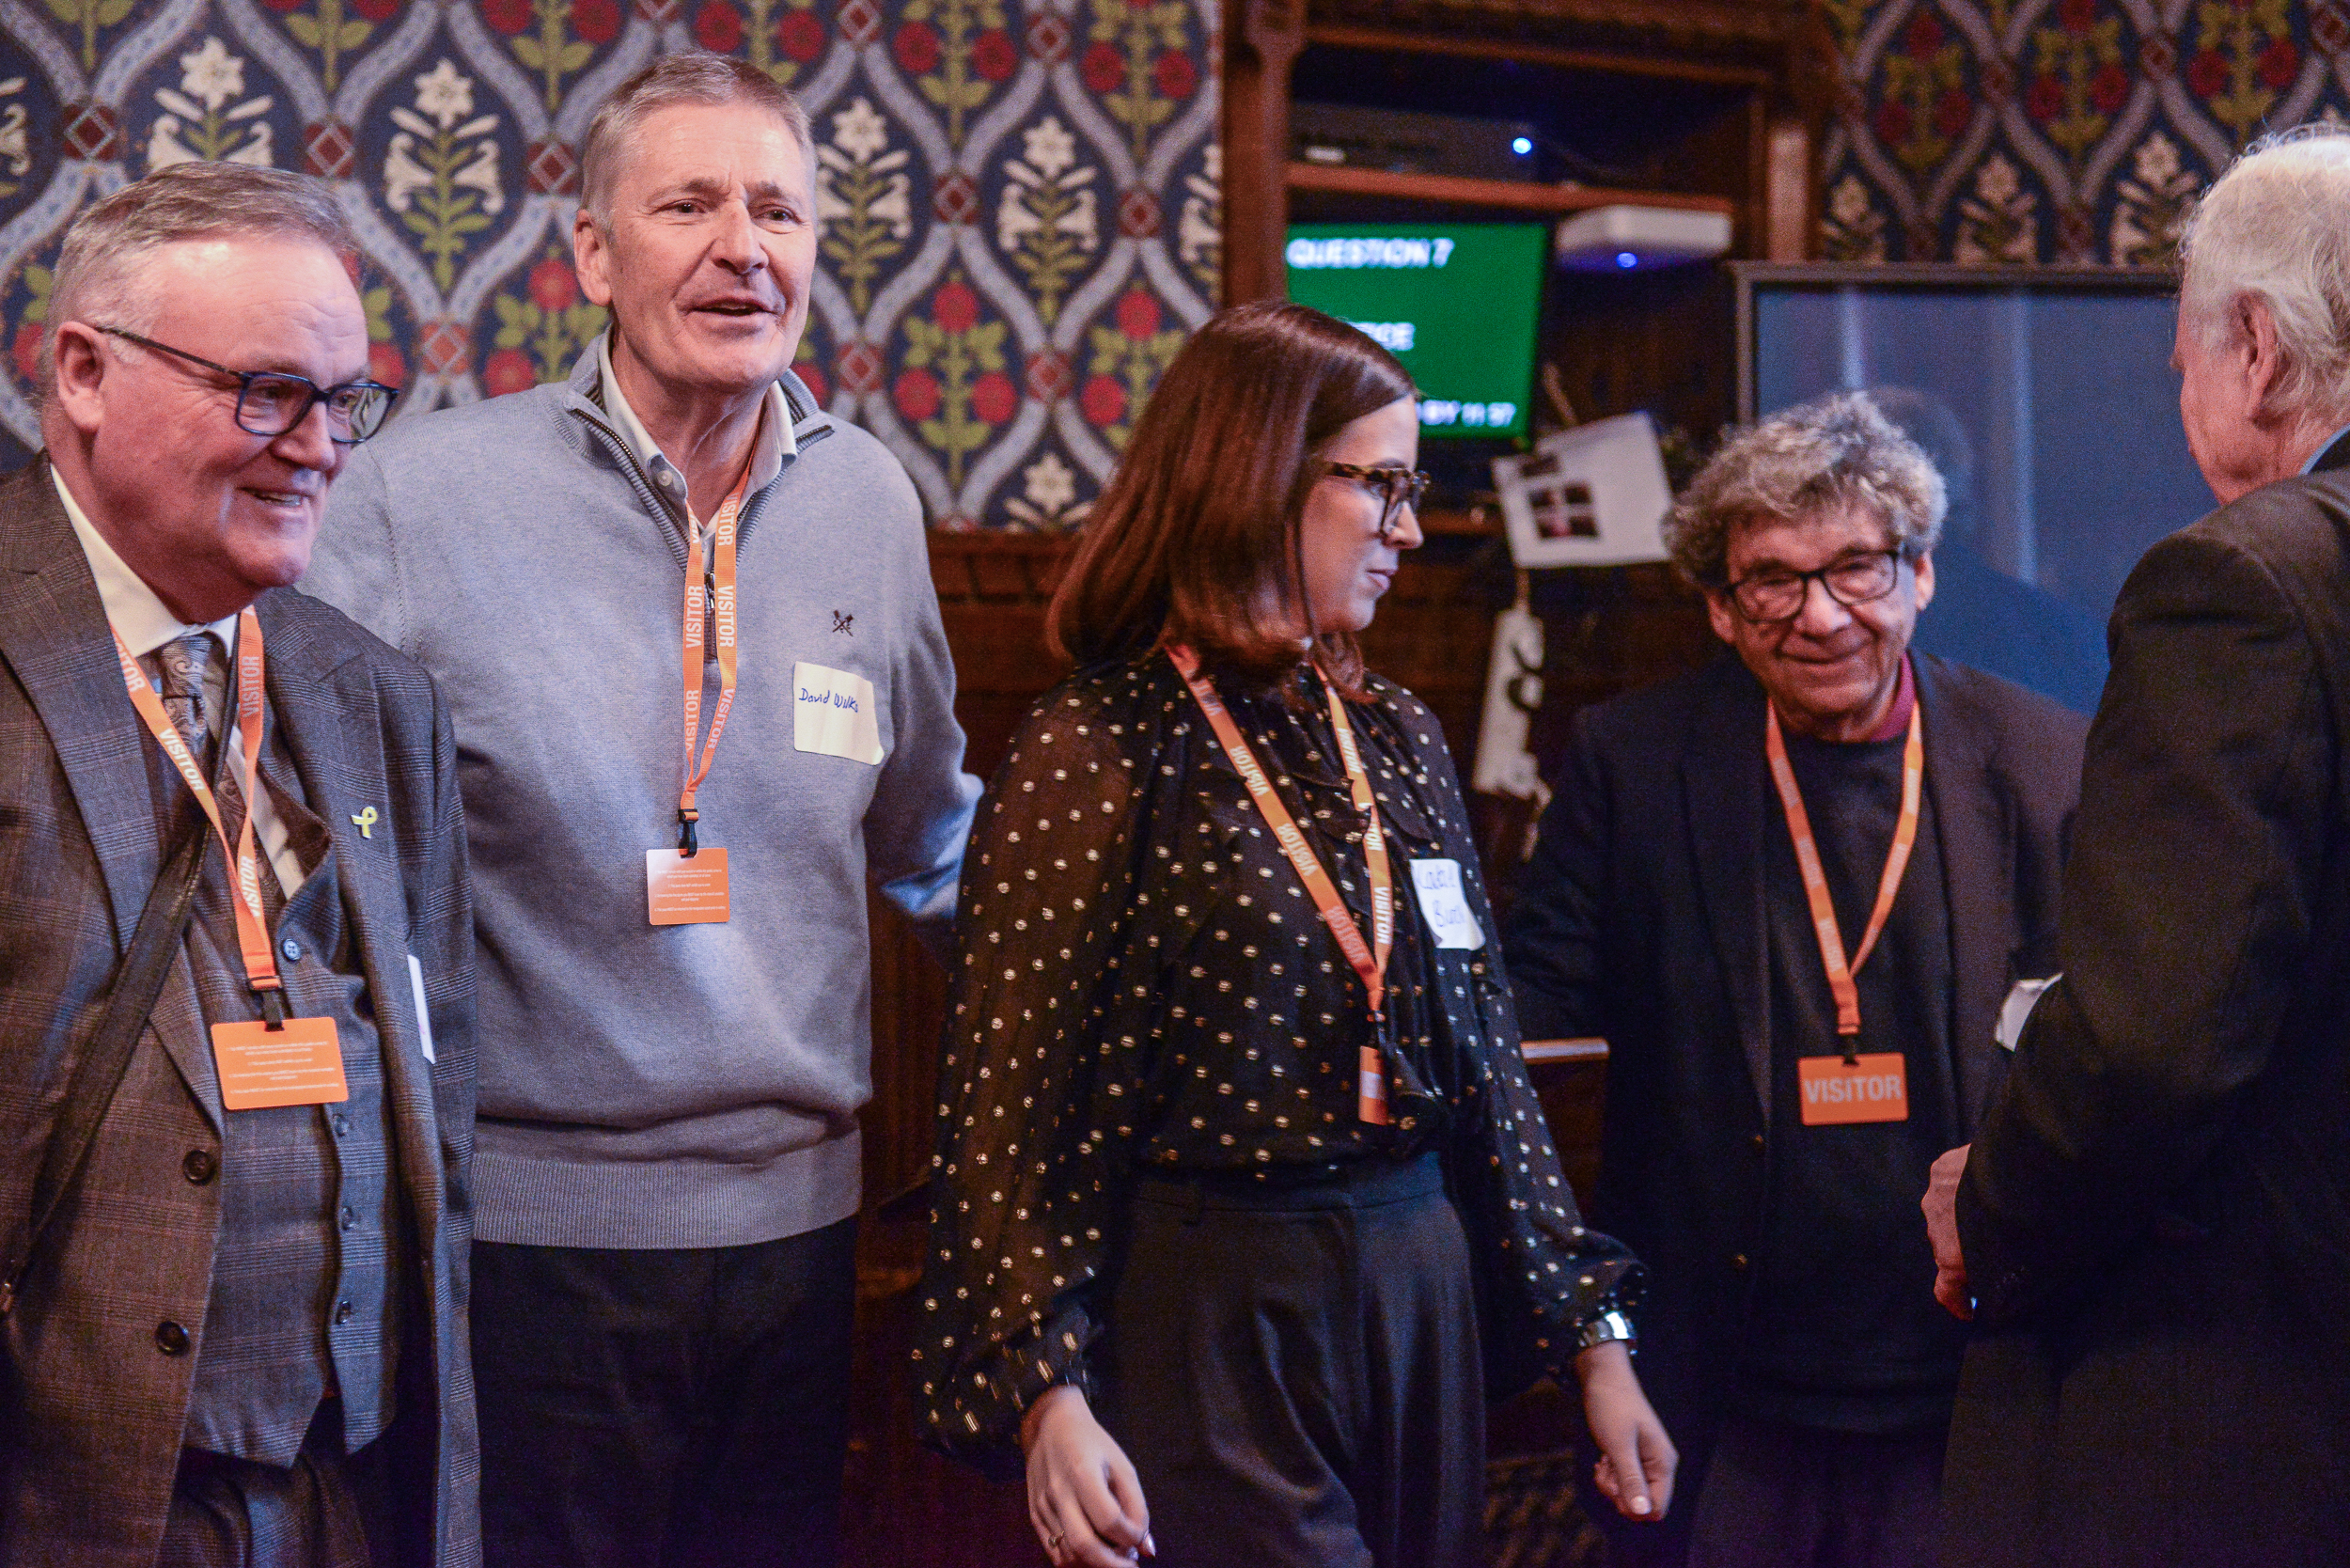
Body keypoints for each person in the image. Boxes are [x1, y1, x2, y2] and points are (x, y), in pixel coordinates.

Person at [304, 54, 978, 1568]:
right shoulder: (414, 500)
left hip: (807, 1245)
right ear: (595, 255)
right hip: (528, 1250)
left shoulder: (869, 503)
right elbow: (291, 859)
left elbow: (933, 840)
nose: (745, 248)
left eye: (778, 212)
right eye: (689, 206)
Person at [913, 301, 1674, 1568]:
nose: (1407, 530)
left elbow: (1489, 1071)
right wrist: (1046, 1391)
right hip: (1220, 1299)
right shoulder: (1098, 742)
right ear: (1257, 474)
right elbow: (1009, 1112)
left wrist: (1594, 1342)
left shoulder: (1398, 735)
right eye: (1381, 486)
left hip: (1418, 1282)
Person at [1504, 392, 2085, 1568]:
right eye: (1773, 579)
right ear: (1721, 609)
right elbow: (1529, 1033)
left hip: (1971, 1382)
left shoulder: (2043, 759)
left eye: (1857, 568)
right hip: (1715, 1391)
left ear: (1921, 575)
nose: (1819, 616)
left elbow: (2098, 1053)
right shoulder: (1633, 763)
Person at [0, 162, 477, 1565]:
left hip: (353, 1489)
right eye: (266, 393)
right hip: (70, 1505)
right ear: (83, 371)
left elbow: (441, 1092)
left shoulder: (372, 696)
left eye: (342, 402)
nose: (317, 447)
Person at [1924, 124, 2350, 1568]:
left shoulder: (2240, 583)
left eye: (2181, 360)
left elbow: (2150, 1046)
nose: (2179, 393)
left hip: (2242, 1396)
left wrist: (1991, 1207)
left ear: (2257, 348)